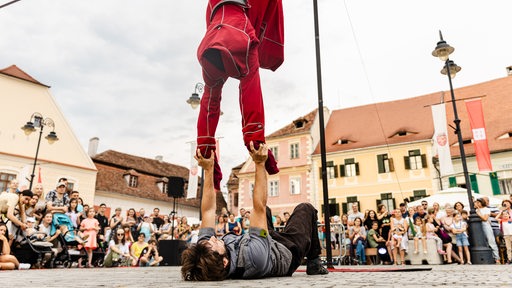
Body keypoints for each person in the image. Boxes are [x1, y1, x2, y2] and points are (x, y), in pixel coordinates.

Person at [181, 142, 328, 281]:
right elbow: (259, 207)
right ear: (224, 262)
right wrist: (259, 163)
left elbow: (207, 211)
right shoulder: (253, 258)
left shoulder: (204, 250)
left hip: (264, 240)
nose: (212, 238)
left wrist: (208, 169)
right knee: (305, 208)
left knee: (265, 213)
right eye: (213, 243)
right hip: (286, 250)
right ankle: (314, 262)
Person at [195, 0, 284, 191]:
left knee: (210, 96)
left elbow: (209, 19)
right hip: (239, 29)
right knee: (249, 81)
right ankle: (255, 138)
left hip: (210, 40)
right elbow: (269, 17)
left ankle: (204, 148)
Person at [475, 198, 500, 264]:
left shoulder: (486, 209)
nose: (477, 204)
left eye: (478, 202)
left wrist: (479, 213)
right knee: (484, 242)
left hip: (486, 225)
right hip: (478, 227)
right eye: (476, 202)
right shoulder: (476, 210)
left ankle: (497, 258)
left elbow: (485, 219)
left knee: (491, 241)